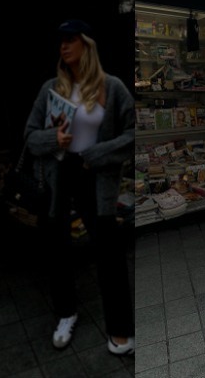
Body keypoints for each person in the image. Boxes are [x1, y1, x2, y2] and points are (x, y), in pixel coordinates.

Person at [24, 19, 136, 355]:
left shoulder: (112, 87)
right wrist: (52, 138)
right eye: (61, 41)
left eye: (71, 40)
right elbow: (29, 137)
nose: (64, 46)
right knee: (56, 249)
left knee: (110, 255)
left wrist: (98, 153)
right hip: (56, 176)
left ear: (87, 45)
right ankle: (66, 313)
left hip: (94, 175)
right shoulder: (50, 89)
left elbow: (132, 134)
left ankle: (119, 329)